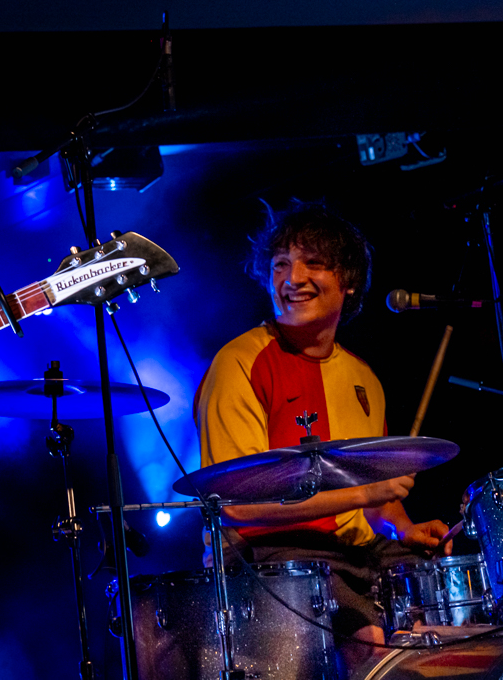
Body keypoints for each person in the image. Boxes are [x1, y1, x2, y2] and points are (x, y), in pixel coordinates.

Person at [193, 201, 452, 668]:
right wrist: (364, 494)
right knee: (371, 643)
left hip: (355, 555)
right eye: (281, 265)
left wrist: (404, 526)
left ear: (348, 282)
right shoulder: (239, 364)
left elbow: (373, 495)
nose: (293, 278)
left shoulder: (363, 377)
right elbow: (235, 505)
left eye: (313, 263)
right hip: (273, 556)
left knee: (441, 619)